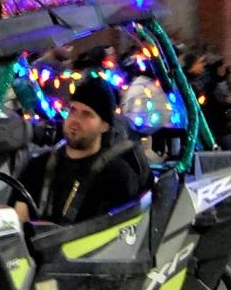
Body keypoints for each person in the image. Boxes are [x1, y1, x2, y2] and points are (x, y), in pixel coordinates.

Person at [14, 78, 149, 225]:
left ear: (104, 126)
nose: (76, 120)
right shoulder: (37, 167)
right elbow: (18, 219)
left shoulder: (118, 176)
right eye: (73, 110)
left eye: (87, 114)